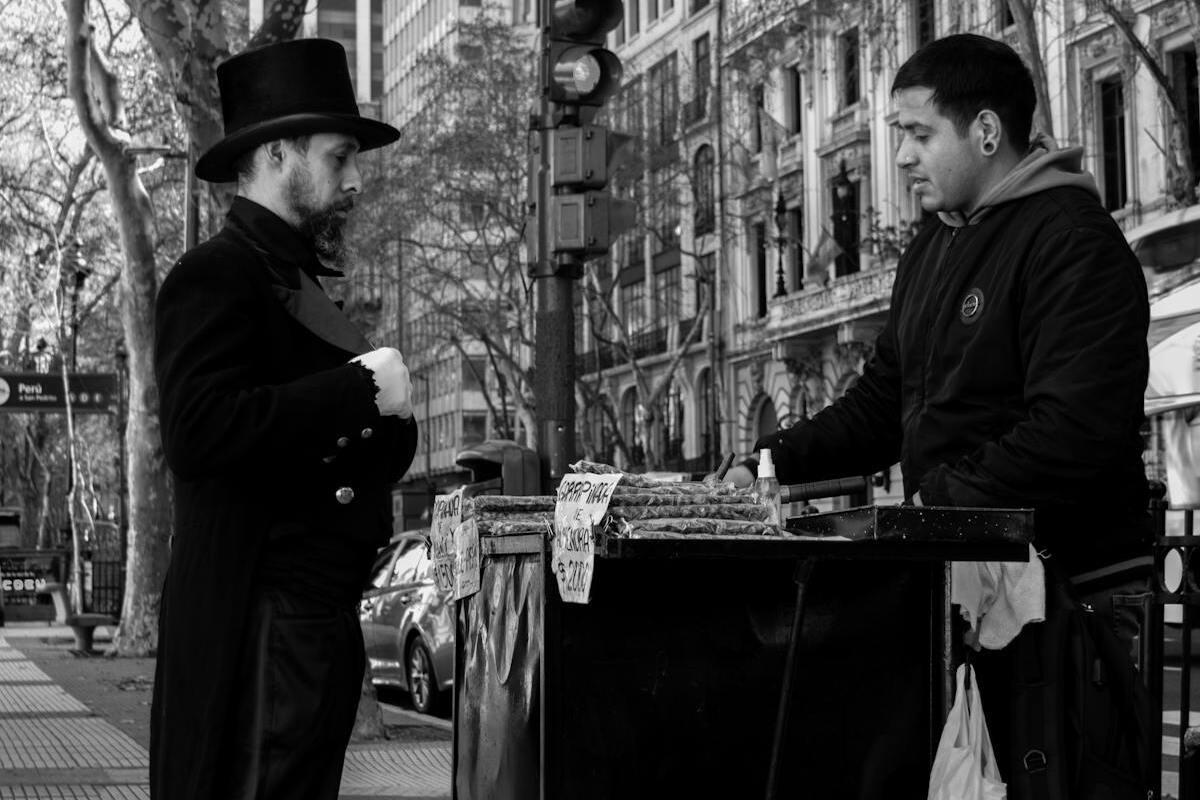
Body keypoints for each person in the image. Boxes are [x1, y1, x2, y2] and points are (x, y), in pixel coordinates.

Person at [734, 33, 1151, 795]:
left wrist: (935, 509)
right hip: (963, 590)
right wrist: (772, 458)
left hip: (1072, 602)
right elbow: (880, 404)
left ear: (986, 131)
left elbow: (1074, 431)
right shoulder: (931, 246)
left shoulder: (1072, 242)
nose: (902, 159)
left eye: (920, 134)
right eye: (900, 136)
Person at [149, 39, 419, 800]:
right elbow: (199, 431)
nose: (356, 181)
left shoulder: (292, 283)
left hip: (309, 629)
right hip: (260, 629)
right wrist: (359, 391)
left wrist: (387, 417)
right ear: (276, 155)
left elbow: (331, 445)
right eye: (340, 158)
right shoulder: (215, 275)